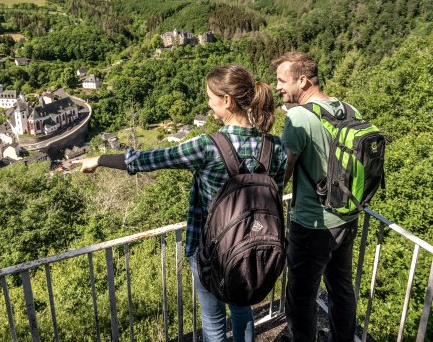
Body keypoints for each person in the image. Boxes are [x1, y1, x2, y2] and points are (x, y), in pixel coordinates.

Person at [76, 64, 287, 342]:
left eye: (211, 98)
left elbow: (147, 160)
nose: (209, 105)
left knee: (213, 322)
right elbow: (274, 194)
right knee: (241, 310)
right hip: (253, 249)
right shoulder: (276, 147)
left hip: (209, 251)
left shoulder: (208, 145)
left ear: (227, 100)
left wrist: (100, 160)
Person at [272, 52, 359, 342]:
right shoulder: (348, 109)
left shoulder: (299, 116)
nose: (278, 87)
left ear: (303, 80)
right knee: (341, 288)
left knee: (301, 295)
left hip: (312, 223)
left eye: (282, 81)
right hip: (347, 217)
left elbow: (282, 174)